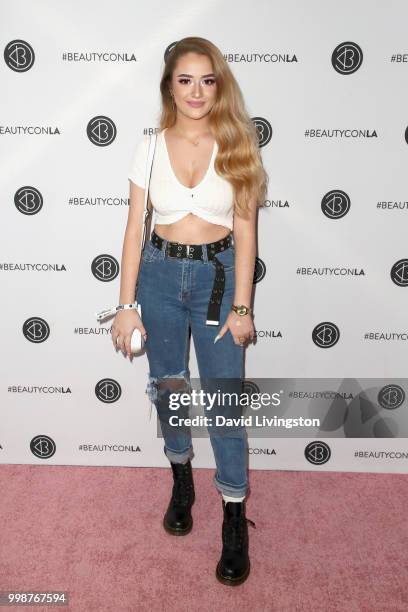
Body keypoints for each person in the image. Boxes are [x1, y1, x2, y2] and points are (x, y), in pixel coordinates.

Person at [112, 36, 268, 586]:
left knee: (225, 404)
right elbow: (135, 229)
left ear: (218, 84)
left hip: (218, 279)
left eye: (207, 80)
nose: (196, 91)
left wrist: (243, 306)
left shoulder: (238, 142)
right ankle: (182, 478)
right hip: (157, 275)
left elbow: (246, 230)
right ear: (169, 86)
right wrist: (126, 304)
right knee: (170, 390)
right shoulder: (149, 145)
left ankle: (232, 515)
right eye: (185, 80)